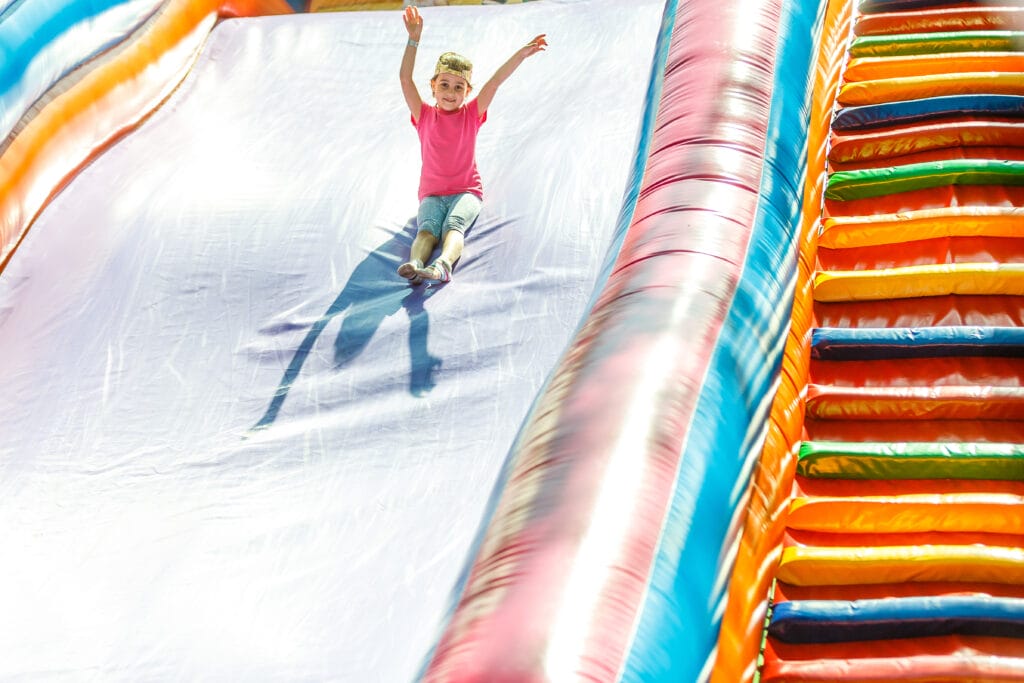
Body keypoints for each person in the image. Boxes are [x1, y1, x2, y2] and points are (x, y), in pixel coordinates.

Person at [397, 5, 546, 284]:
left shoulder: (470, 115)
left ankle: (442, 265)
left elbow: (495, 82)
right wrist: (413, 39)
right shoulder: (424, 115)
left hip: (466, 191)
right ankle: (416, 264)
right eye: (444, 84)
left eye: (458, 87)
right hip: (431, 193)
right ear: (432, 86)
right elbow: (405, 79)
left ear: (468, 91)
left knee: (454, 227)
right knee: (427, 231)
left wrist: (522, 54)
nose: (450, 92)